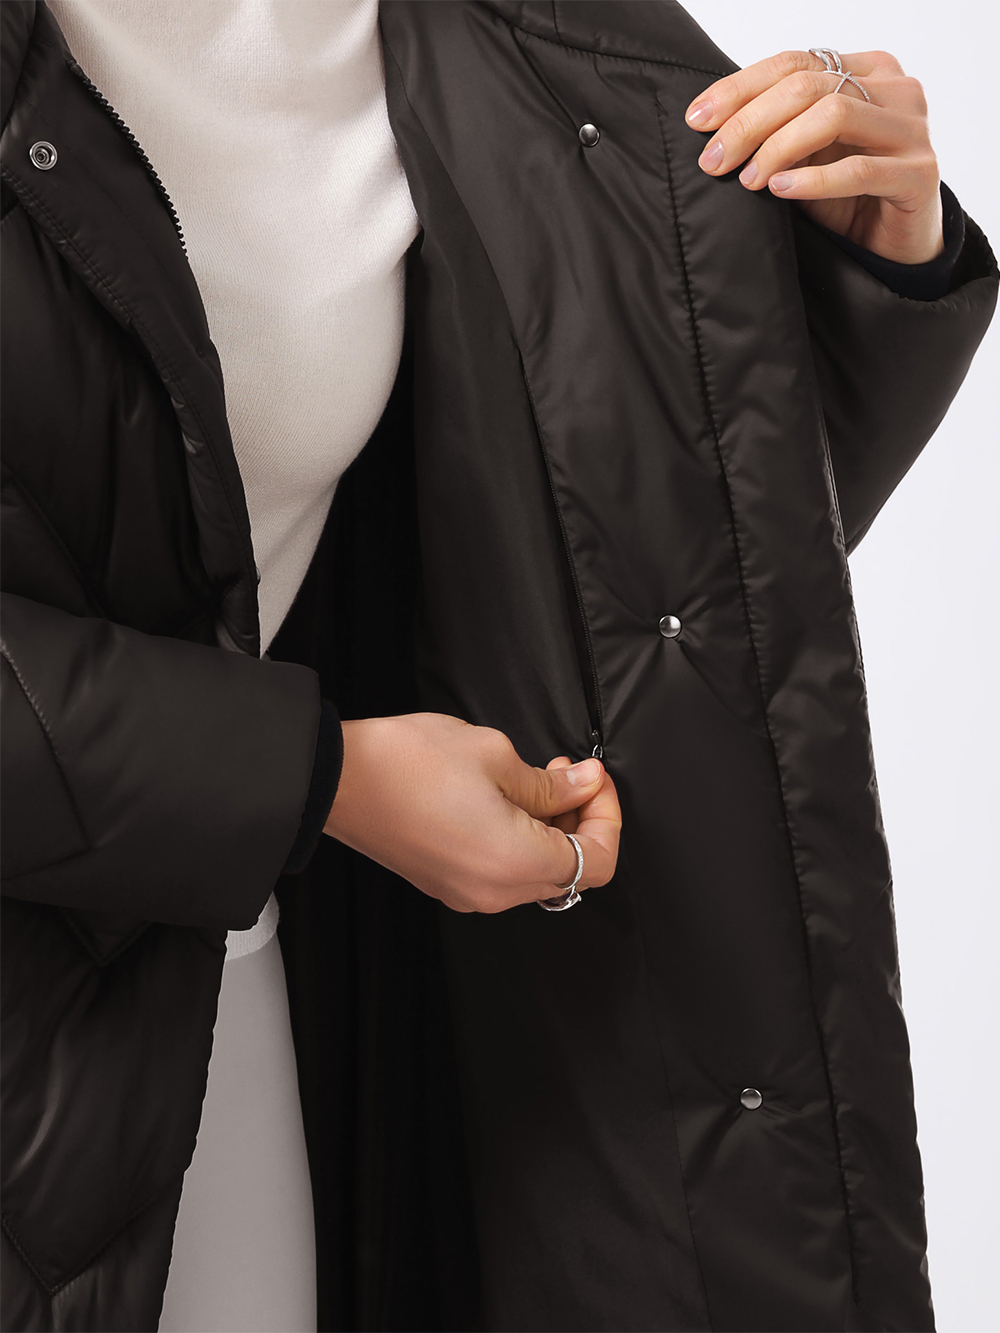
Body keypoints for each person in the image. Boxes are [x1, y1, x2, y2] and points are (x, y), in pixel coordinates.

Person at [0, 2, 995, 1331]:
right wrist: (327, 776)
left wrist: (879, 261)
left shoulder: (470, 27)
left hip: (227, 1016)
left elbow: (625, 567)